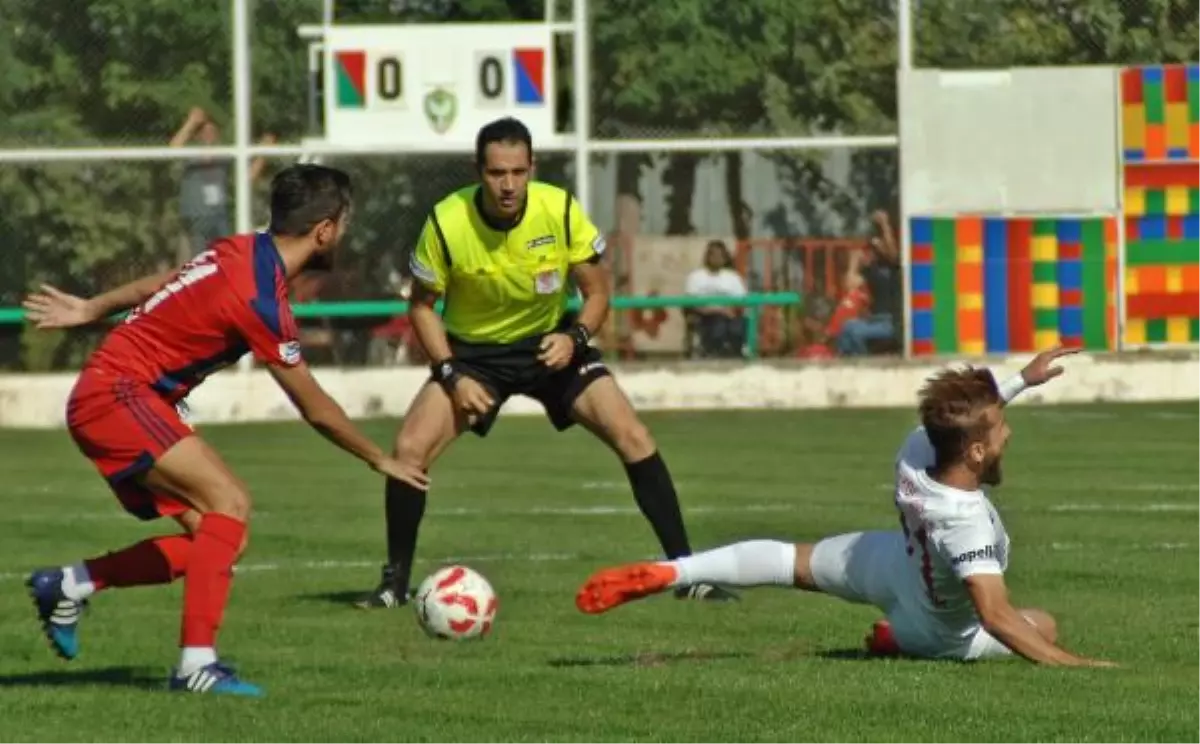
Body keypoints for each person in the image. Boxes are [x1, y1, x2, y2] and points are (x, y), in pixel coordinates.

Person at [21, 164, 427, 696]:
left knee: (216, 539)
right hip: (118, 396)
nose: (343, 235)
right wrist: (381, 459)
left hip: (115, 397)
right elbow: (313, 404)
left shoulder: (239, 249)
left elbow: (166, 281)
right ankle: (196, 666)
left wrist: (94, 307)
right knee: (230, 504)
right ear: (325, 230)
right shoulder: (259, 296)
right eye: (343, 224)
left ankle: (70, 583)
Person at [355, 117, 736, 608]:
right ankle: (394, 585)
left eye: (517, 171)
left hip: (550, 345)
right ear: (479, 172)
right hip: (473, 355)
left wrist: (575, 337)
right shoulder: (448, 222)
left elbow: (598, 293)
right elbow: (422, 308)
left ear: (532, 167)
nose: (508, 184)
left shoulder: (557, 210)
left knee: (634, 434)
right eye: (496, 173)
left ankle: (688, 573)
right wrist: (450, 371)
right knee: (409, 450)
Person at [576, 348, 1117, 667]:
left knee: (790, 561)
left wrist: (1021, 379)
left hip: (886, 563)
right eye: (1000, 432)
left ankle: (676, 570)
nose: (1008, 434)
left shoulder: (917, 449)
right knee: (1041, 623)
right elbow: (996, 618)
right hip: (934, 626)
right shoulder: (966, 520)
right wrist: (1086, 665)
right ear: (976, 452)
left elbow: (961, 415)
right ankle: (896, 640)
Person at [837, 210, 900, 356]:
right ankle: (848, 365)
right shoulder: (872, 268)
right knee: (847, 327)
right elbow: (850, 285)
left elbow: (893, 253)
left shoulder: (895, 268)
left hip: (892, 321)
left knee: (855, 332)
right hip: (874, 320)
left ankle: (865, 363)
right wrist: (853, 262)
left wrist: (884, 225)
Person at [683, 240, 747, 358]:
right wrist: (717, 310)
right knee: (718, 324)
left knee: (739, 325)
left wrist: (731, 311)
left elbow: (741, 301)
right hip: (705, 315)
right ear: (707, 256)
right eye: (713, 255)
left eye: (720, 255)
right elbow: (690, 303)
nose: (717, 258)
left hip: (730, 314)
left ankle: (736, 354)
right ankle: (712, 352)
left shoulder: (733, 277)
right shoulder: (696, 277)